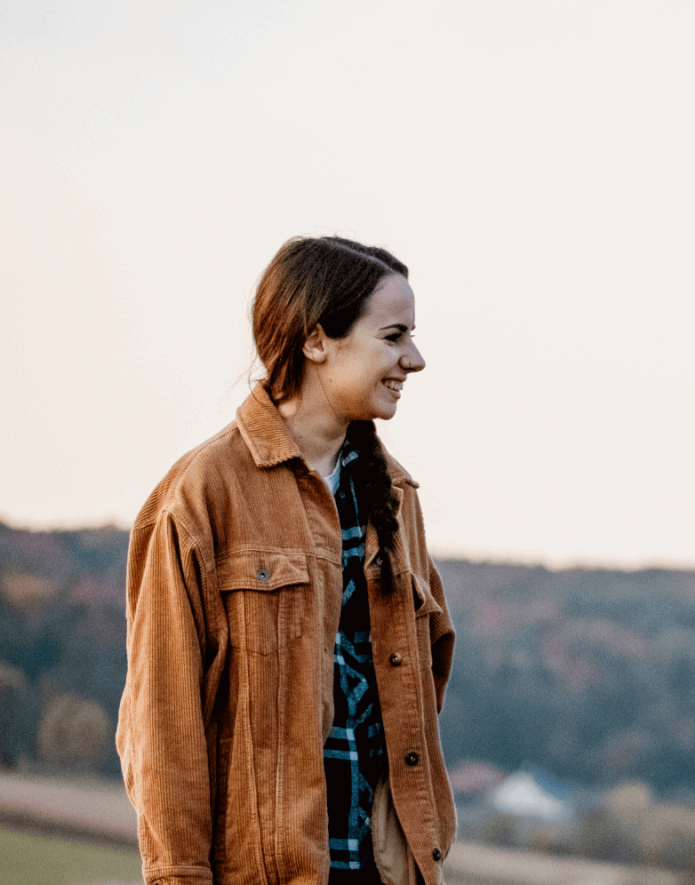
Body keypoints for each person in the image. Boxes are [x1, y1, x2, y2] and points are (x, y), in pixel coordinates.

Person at [118, 236, 455, 885]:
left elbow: (416, 705)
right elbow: (162, 730)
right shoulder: (205, 493)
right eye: (393, 336)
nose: (413, 359)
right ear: (316, 339)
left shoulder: (396, 499)